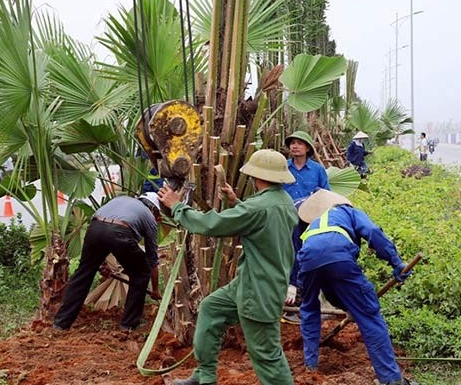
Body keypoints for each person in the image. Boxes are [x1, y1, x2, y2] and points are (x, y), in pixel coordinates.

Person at [159, 149, 298, 385]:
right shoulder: (283, 202)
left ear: (258, 177)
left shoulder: (257, 208)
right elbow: (258, 220)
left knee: (267, 354)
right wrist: (236, 202)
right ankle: (204, 376)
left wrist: (177, 207)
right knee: (212, 308)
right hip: (253, 282)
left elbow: (211, 224)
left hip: (258, 290)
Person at [296, 189, 416, 385]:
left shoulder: (313, 225)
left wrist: (349, 305)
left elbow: (319, 272)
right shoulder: (349, 212)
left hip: (308, 261)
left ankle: (311, 365)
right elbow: (373, 232)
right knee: (369, 316)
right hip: (339, 257)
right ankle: (391, 380)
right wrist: (396, 262)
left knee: (309, 309)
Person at [53, 192, 162, 331]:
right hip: (121, 231)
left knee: (83, 274)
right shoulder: (149, 216)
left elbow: (103, 229)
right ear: (153, 209)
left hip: (95, 228)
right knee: (140, 273)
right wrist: (156, 290)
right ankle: (128, 325)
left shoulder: (121, 199)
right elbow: (152, 259)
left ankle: (61, 323)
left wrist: (102, 263)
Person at [282, 131, 330, 319]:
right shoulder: (284, 168)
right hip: (288, 218)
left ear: (308, 148)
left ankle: (306, 292)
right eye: (292, 143)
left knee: (308, 253)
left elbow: (325, 193)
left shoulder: (317, 170)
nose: (295, 146)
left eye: (299, 144)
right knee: (289, 253)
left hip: (310, 220)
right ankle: (291, 290)